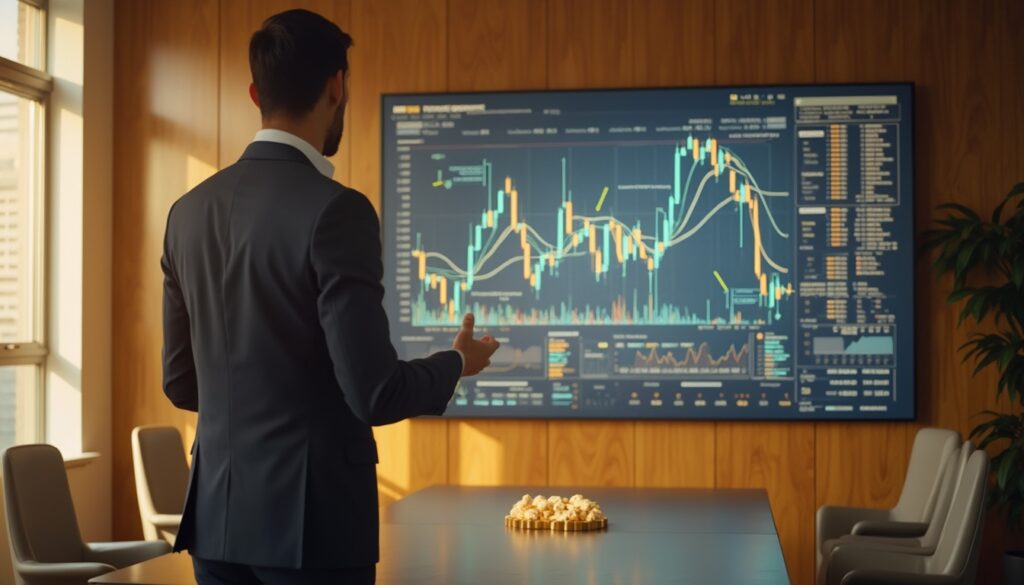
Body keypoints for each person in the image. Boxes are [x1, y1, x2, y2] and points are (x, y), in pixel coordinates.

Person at [160, 9, 499, 584]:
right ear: (337, 85)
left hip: (215, 525)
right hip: (311, 532)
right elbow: (375, 393)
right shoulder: (335, 211)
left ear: (253, 92)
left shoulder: (186, 213)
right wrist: (457, 363)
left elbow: (180, 383)